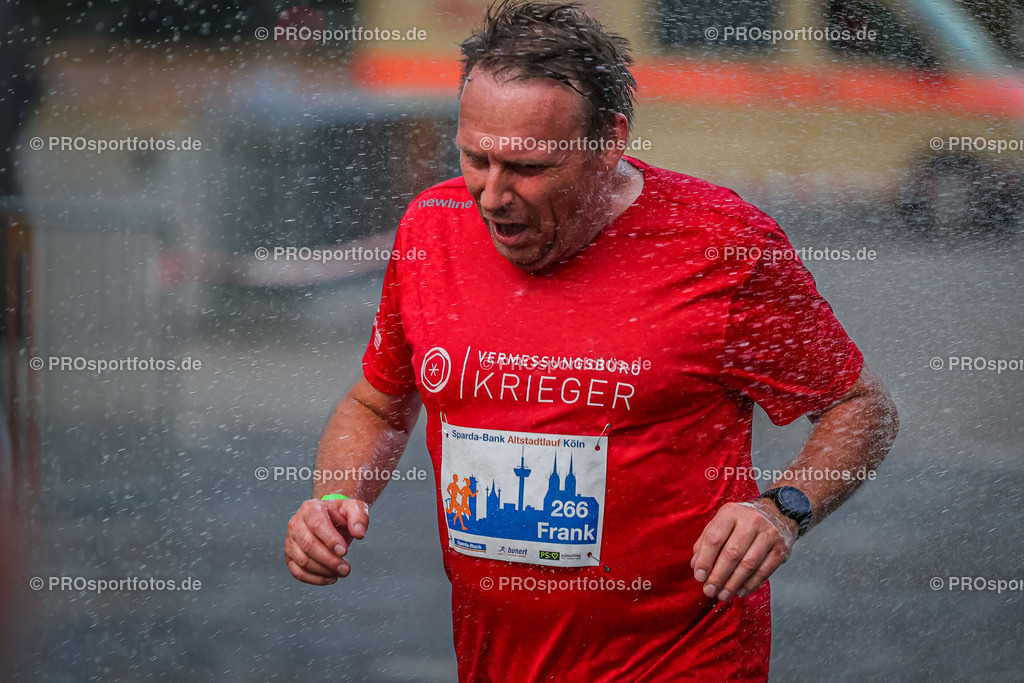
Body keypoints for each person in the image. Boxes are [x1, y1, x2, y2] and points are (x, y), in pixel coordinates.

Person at [284, 1, 899, 680]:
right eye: (474, 158)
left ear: (609, 142)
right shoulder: (431, 230)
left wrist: (783, 508)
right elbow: (378, 403)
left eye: (528, 166)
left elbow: (861, 407)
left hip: (682, 659)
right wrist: (338, 500)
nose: (491, 195)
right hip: (498, 660)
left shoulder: (723, 246)